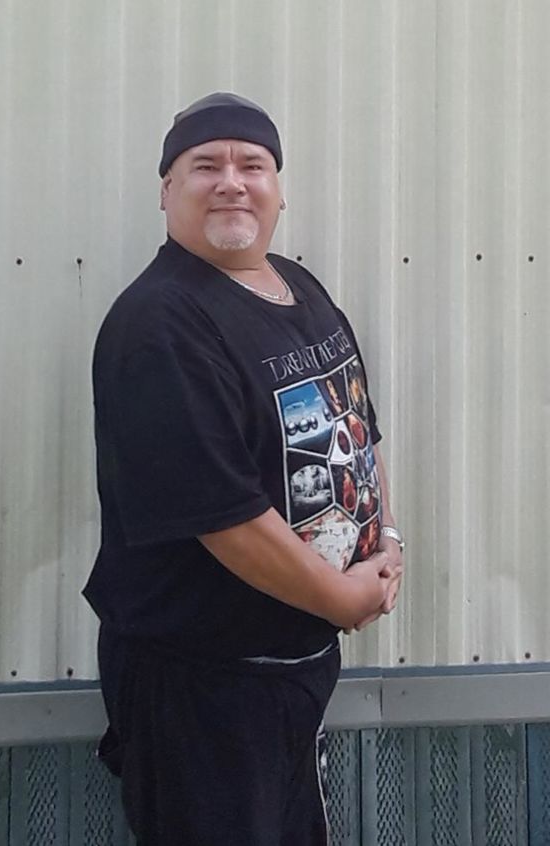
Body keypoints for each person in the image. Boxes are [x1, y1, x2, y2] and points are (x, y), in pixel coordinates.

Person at [83, 92, 404, 846]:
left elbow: (356, 427)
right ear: (167, 191)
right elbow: (225, 520)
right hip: (203, 682)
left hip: (291, 667)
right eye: (206, 166)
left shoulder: (298, 288)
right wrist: (345, 600)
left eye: (252, 164)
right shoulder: (160, 325)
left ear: (278, 189)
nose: (232, 181)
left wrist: (387, 540)